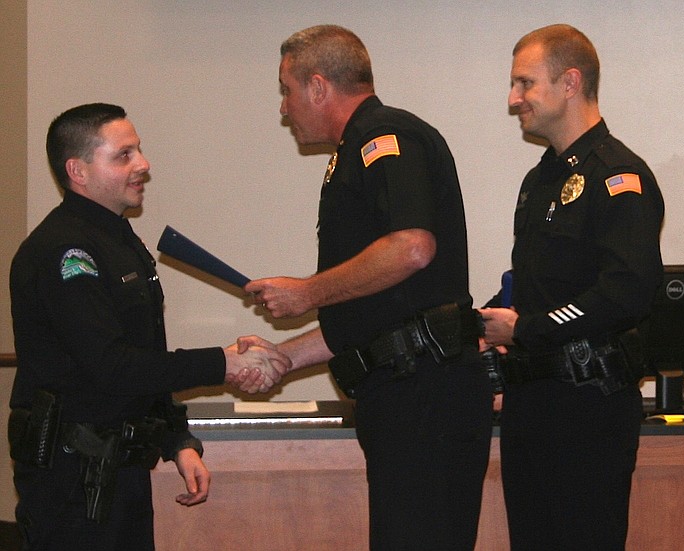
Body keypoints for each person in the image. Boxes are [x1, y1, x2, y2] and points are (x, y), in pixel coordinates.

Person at [242, 25, 493, 550]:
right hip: (404, 390)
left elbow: (412, 247)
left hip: (424, 394)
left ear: (318, 87)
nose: (284, 109)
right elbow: (376, 316)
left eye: (286, 91)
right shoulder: (354, 151)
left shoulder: (386, 136)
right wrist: (285, 357)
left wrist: (308, 291)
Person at [8, 102, 287, 550]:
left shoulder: (120, 241)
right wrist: (223, 363)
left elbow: (146, 356)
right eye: (124, 155)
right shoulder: (65, 252)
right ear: (78, 171)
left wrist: (178, 439)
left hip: (120, 470)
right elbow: (111, 366)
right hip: (73, 481)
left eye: (138, 150)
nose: (143, 164)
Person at [478, 24, 665, 550]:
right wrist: (486, 322)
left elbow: (627, 292)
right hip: (530, 405)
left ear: (570, 83)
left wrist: (529, 328)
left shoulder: (618, 176)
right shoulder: (541, 181)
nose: (513, 99)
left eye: (525, 83)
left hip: (588, 409)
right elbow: (533, 285)